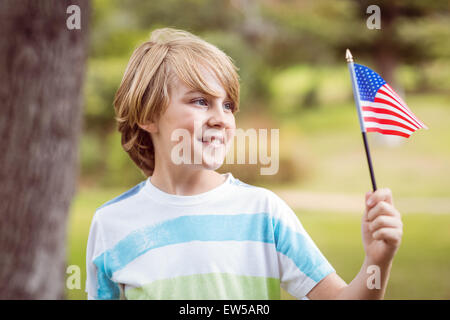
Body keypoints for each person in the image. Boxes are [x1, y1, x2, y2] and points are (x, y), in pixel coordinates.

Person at [85, 28, 403, 300]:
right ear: (147, 116)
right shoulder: (112, 224)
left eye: (228, 105)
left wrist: (378, 260)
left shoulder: (263, 212)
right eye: (200, 101)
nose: (222, 119)